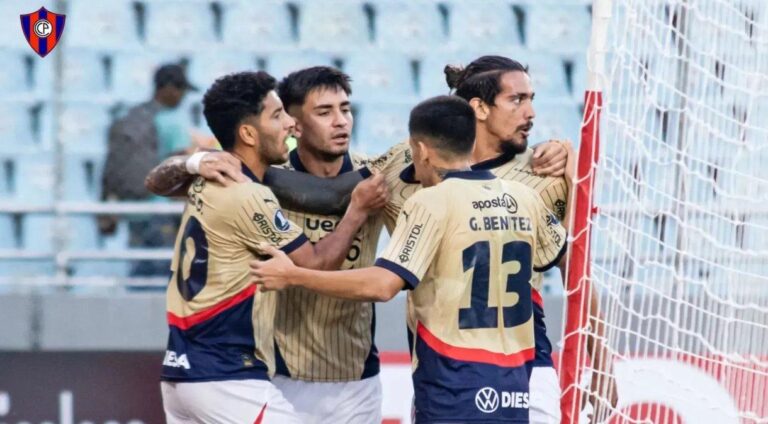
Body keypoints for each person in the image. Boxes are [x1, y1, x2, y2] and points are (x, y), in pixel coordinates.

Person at [251, 95, 569, 423]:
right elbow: (562, 256)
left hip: (454, 382)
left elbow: (382, 285)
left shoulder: (430, 202)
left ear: (421, 150)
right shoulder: (524, 198)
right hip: (516, 383)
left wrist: (292, 276)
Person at [159, 71, 388, 424]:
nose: (289, 126)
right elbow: (316, 263)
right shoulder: (247, 189)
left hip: (191, 369)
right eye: (280, 115)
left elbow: (159, 182)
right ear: (250, 132)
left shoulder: (211, 176)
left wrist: (192, 162)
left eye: (346, 108)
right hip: (237, 373)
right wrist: (356, 210)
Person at [100, 63, 197, 276]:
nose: (182, 97)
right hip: (160, 210)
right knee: (165, 273)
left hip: (134, 208)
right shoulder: (172, 121)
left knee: (141, 270)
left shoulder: (131, 117)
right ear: (169, 88)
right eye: (180, 90)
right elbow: (179, 170)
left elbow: (112, 165)